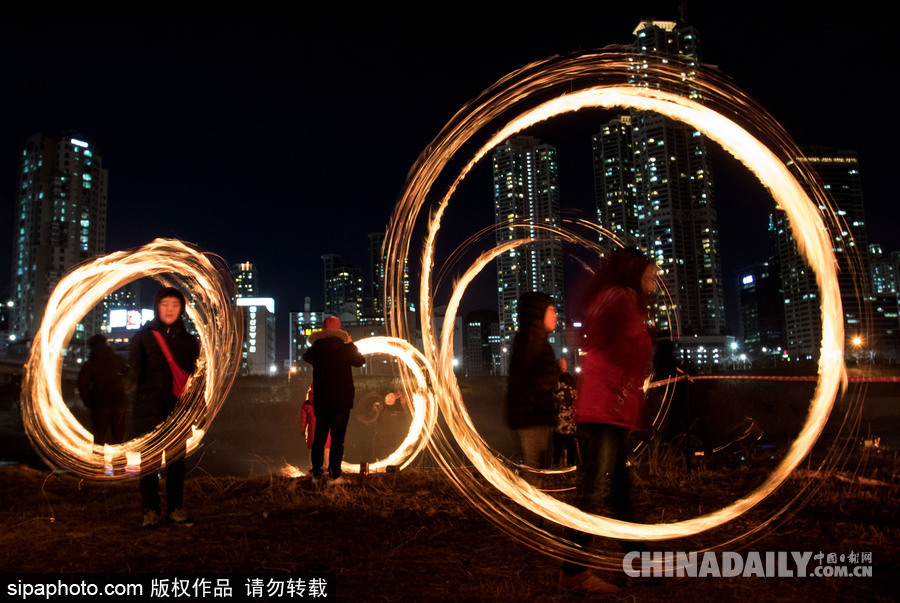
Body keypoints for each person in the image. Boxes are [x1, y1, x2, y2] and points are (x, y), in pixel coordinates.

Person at [559, 248, 657, 595]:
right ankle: (573, 572)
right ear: (634, 271)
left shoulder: (619, 298)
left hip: (610, 408)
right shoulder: (620, 298)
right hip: (604, 409)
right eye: (650, 272)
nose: (655, 278)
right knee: (594, 492)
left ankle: (642, 566)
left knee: (619, 491)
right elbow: (610, 344)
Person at [128, 287, 200, 529]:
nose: (169, 309)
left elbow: (195, 378)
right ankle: (150, 510)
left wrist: (197, 408)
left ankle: (175, 509)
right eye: (165, 304)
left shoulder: (189, 341)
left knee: (176, 461)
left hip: (177, 408)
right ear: (157, 307)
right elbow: (133, 373)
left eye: (175, 305)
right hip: (149, 408)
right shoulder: (142, 338)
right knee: (149, 462)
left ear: (182, 309)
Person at [302, 316, 365, 485]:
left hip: (322, 401)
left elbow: (306, 357)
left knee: (319, 439)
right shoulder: (345, 348)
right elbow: (360, 361)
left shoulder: (316, 349)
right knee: (337, 440)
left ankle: (316, 476)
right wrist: (350, 344)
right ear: (340, 331)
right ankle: (334, 476)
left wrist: (316, 343)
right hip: (341, 401)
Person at [506, 292, 558, 471]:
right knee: (536, 469)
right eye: (551, 310)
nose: (555, 315)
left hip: (531, 417)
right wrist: (556, 371)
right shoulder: (533, 345)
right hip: (532, 417)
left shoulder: (527, 342)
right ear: (538, 313)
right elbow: (535, 383)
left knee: (538, 467)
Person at [77, 334, 128, 475]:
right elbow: (130, 376)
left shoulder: (90, 364)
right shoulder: (118, 360)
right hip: (119, 403)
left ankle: (98, 469)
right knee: (118, 438)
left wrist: (89, 402)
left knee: (99, 439)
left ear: (92, 347)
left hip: (100, 405)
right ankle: (119, 469)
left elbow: (82, 385)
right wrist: (124, 394)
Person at [300, 385, 330, 471]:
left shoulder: (306, 405)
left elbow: (303, 421)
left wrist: (302, 430)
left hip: (313, 433)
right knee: (326, 451)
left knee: (313, 451)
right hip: (326, 432)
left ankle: (313, 470)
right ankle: (326, 469)